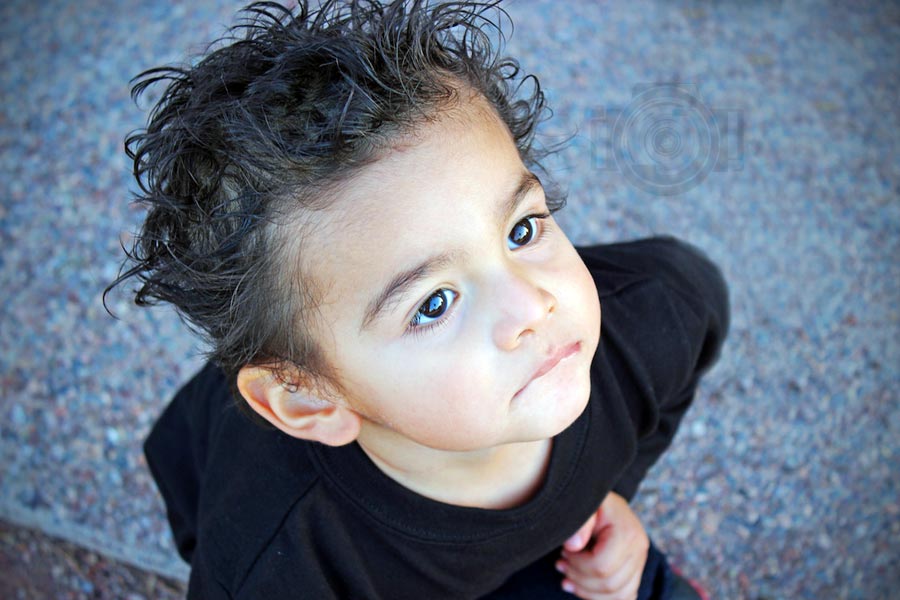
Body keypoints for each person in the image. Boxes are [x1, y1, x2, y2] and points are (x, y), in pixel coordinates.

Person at [109, 1, 728, 598]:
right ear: (310, 398)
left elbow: (695, 323)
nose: (531, 305)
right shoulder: (281, 564)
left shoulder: (656, 312)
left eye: (520, 230)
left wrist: (612, 492)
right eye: (434, 304)